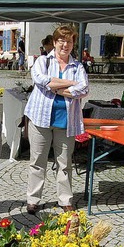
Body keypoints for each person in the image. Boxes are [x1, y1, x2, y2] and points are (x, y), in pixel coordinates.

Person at [24, 25, 89, 215]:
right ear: (54, 42)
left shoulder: (77, 66)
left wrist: (58, 88)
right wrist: (71, 84)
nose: (65, 45)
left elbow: (84, 90)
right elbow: (42, 81)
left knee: (65, 163)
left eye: (69, 41)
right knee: (37, 161)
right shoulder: (42, 61)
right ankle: (33, 199)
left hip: (65, 121)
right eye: (62, 41)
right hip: (40, 119)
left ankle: (65, 200)